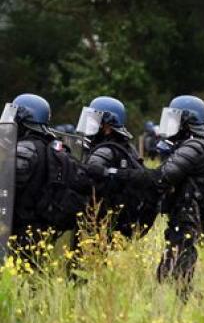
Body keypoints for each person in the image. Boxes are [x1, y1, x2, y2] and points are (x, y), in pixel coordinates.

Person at [1, 94, 91, 265]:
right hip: (44, 231)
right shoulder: (54, 148)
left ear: (22, 118)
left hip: (19, 229)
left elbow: (8, 188)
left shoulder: (24, 150)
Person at [154, 95, 204, 296]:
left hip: (188, 216)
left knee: (177, 275)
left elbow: (164, 176)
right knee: (167, 273)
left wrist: (129, 176)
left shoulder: (193, 147)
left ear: (187, 121)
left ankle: (186, 308)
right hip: (188, 216)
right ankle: (182, 305)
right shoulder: (199, 145)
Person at [79, 96, 159, 239]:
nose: (90, 126)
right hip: (117, 225)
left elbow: (85, 177)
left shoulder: (105, 150)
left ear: (108, 127)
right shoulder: (127, 148)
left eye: (95, 122)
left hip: (100, 224)